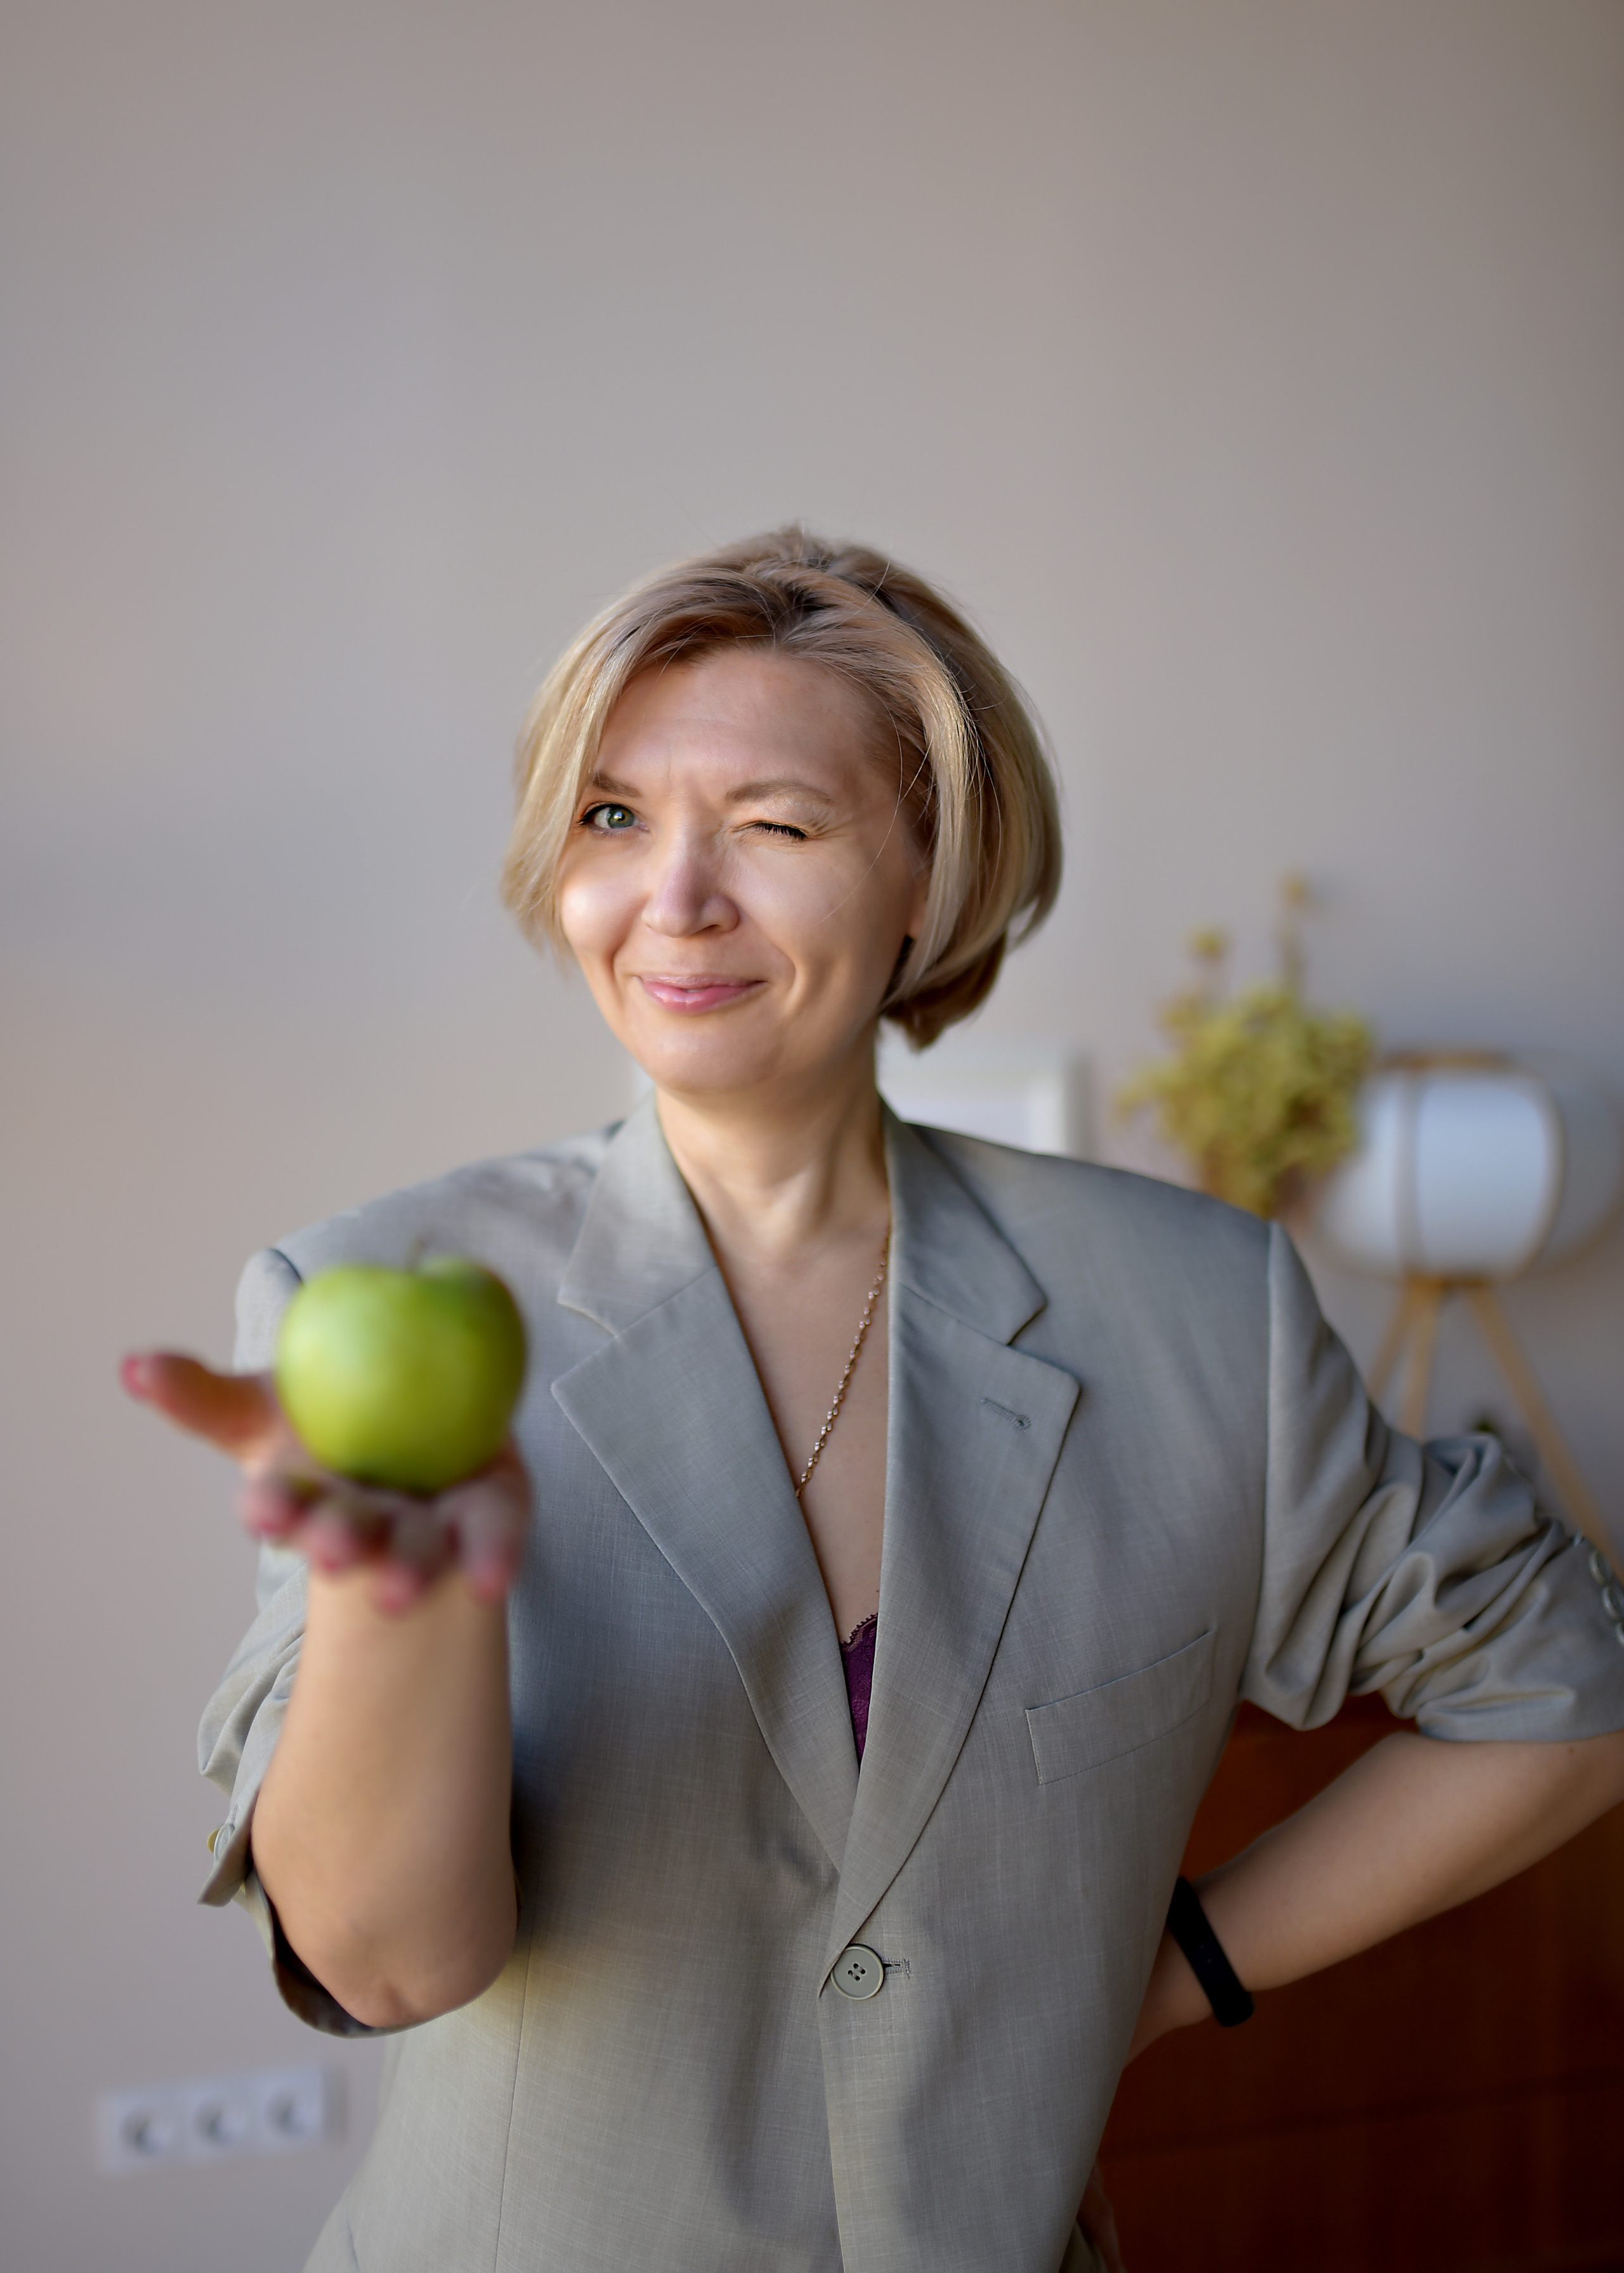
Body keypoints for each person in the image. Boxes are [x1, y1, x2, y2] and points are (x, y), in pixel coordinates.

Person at [125, 529, 1624, 2273]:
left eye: (774, 824)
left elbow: (1562, 1694)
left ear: (931, 875)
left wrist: (1182, 1968)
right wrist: (406, 1609)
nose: (674, 899)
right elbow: (391, 1968)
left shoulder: (1200, 1307)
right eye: (613, 817)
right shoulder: (363, 1293)